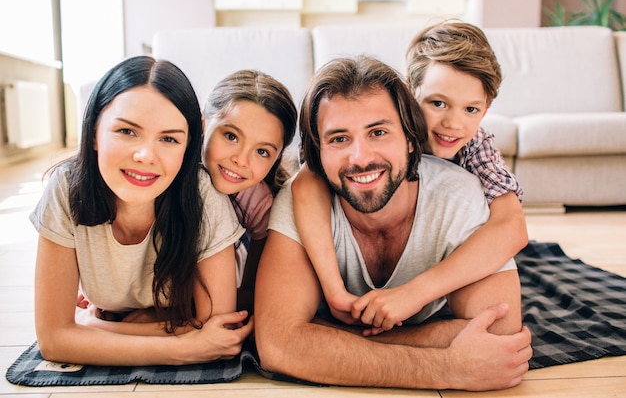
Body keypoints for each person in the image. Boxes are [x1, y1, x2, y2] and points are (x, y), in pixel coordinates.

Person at [254, 55, 532, 391]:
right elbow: (278, 345)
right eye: (339, 139)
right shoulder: (302, 198)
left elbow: (500, 335)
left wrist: (322, 339)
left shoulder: (461, 194)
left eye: (379, 132)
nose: (360, 158)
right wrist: (447, 367)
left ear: (411, 139)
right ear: (317, 153)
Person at [290, 20, 527, 334]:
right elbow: (307, 182)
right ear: (409, 93)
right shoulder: (376, 133)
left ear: (486, 110)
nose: (453, 124)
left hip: (444, 252)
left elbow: (512, 227)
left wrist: (415, 293)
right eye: (438, 103)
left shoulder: (476, 147)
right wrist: (334, 292)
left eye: (471, 109)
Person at [30, 55, 253, 366]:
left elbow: (216, 328)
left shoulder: (202, 193)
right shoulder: (66, 189)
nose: (146, 155)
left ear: (189, 145)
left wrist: (95, 327)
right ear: (94, 131)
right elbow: (54, 340)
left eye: (169, 139)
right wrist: (183, 348)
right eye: (127, 131)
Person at [201, 69, 297, 311]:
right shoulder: (168, 171)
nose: (242, 161)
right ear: (203, 124)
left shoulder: (260, 202)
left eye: (262, 152)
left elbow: (250, 293)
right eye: (231, 136)